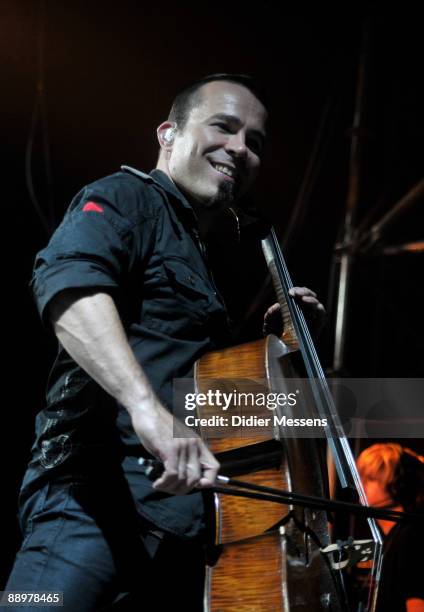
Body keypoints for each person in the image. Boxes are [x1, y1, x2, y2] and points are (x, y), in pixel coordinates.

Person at [6, 74, 325, 611]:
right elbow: (70, 288)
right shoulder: (124, 196)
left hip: (180, 530)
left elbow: (196, 393)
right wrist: (147, 412)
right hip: (94, 509)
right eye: (223, 127)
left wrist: (273, 356)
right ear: (168, 134)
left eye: (255, 142)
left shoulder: (203, 253)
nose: (240, 148)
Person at [357, 443, 424, 612]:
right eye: (360, 477)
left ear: (397, 485)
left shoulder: (410, 537)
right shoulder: (396, 537)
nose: (361, 485)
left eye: (371, 478)